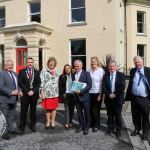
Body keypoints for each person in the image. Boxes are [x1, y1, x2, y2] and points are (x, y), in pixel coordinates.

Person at [125, 56, 150, 141]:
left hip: (145, 98)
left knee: (145, 116)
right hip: (134, 97)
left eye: (139, 62)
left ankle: (145, 132)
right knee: (135, 115)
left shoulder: (148, 70)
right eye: (135, 62)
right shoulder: (133, 71)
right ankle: (137, 128)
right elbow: (131, 83)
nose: (137, 64)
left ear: (142, 62)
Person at [102, 60, 125, 138]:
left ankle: (118, 130)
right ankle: (110, 128)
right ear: (108, 67)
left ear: (116, 67)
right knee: (110, 115)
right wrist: (109, 94)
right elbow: (103, 87)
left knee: (118, 116)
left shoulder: (121, 75)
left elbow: (122, 87)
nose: (111, 67)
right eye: (110, 66)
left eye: (113, 66)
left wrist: (114, 94)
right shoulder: (105, 75)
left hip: (118, 99)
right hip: (109, 99)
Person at [18, 57, 41, 134]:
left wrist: (33, 91)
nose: (30, 64)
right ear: (26, 63)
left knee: (33, 111)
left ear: (33, 63)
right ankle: (22, 126)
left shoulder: (37, 72)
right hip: (25, 95)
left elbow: (38, 83)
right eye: (28, 62)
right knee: (23, 111)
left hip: (34, 95)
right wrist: (27, 91)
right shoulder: (21, 72)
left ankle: (32, 125)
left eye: (31, 62)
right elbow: (20, 83)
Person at [0, 59, 20, 140]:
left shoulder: (15, 74)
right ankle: (3, 133)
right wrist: (11, 92)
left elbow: (17, 85)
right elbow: (1, 87)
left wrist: (20, 90)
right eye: (9, 65)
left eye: (12, 64)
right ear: (5, 66)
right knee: (3, 117)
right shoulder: (1, 74)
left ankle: (11, 129)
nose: (11, 66)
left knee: (11, 116)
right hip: (5, 99)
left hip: (13, 99)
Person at [73, 60, 92, 135]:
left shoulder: (86, 74)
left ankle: (86, 127)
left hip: (85, 97)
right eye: (75, 66)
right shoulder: (73, 74)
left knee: (87, 113)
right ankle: (81, 125)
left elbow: (89, 85)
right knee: (79, 113)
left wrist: (81, 91)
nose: (76, 67)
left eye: (78, 66)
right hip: (77, 98)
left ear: (81, 66)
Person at [40, 57, 60, 129]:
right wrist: (42, 92)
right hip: (47, 93)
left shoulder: (57, 71)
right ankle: (48, 121)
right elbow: (41, 82)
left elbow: (60, 82)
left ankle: (53, 121)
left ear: (55, 64)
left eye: (52, 64)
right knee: (48, 108)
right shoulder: (43, 71)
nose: (51, 65)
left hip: (55, 93)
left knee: (54, 108)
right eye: (50, 64)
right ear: (48, 64)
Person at [88, 56, 105, 132]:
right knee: (90, 109)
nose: (93, 63)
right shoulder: (89, 70)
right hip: (90, 93)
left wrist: (100, 95)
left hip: (98, 93)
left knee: (96, 110)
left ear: (97, 62)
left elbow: (102, 83)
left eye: (94, 61)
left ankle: (97, 125)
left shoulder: (101, 71)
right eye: (92, 61)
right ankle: (92, 123)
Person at [59, 64, 75, 129]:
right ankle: (67, 122)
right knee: (67, 109)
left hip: (73, 94)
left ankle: (70, 122)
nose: (67, 69)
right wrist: (63, 93)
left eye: (68, 68)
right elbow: (60, 87)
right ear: (64, 70)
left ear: (70, 69)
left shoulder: (74, 76)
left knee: (72, 109)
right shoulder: (62, 76)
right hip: (66, 94)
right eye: (66, 69)